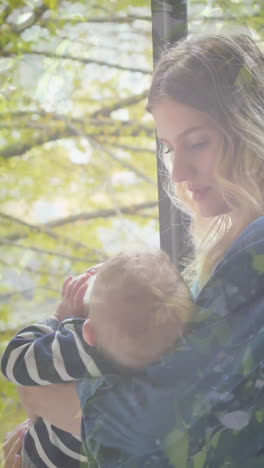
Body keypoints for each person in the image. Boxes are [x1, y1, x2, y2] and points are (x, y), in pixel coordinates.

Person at [3, 31, 264, 467]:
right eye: (168, 148)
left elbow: (165, 433)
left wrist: (56, 405)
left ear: (249, 125)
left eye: (197, 142)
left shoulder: (254, 253)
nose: (178, 170)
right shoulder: (227, 255)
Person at [1, 249, 193, 467]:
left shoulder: (80, 348)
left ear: (89, 331)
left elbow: (15, 360)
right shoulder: (166, 370)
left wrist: (59, 318)